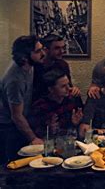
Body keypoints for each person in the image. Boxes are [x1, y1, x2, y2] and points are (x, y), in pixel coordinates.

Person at [0, 35, 45, 163]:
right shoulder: (15, 79)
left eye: (42, 49)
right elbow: (16, 116)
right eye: (38, 51)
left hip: (20, 121)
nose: (43, 53)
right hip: (7, 126)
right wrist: (33, 138)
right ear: (24, 57)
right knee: (12, 164)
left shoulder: (30, 65)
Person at [29, 69, 84, 138]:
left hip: (70, 140)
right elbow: (37, 133)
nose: (68, 88)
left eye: (68, 84)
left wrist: (75, 123)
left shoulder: (72, 99)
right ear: (51, 89)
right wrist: (49, 129)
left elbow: (75, 129)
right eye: (63, 86)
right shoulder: (40, 106)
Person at [33, 34, 81, 100]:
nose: (62, 51)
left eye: (63, 47)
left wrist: (74, 90)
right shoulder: (35, 67)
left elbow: (68, 86)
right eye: (57, 48)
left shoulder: (63, 65)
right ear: (46, 50)